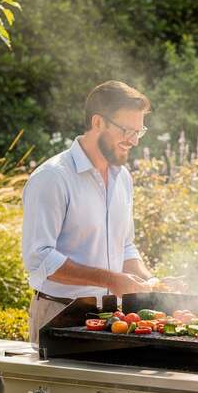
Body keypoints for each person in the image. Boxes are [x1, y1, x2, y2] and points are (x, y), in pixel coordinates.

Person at [21, 81, 156, 342]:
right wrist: (112, 280)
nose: (133, 141)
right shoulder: (52, 178)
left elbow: (125, 246)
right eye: (127, 130)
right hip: (59, 314)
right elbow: (40, 259)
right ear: (98, 122)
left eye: (139, 132)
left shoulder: (123, 177)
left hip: (113, 318)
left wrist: (151, 282)